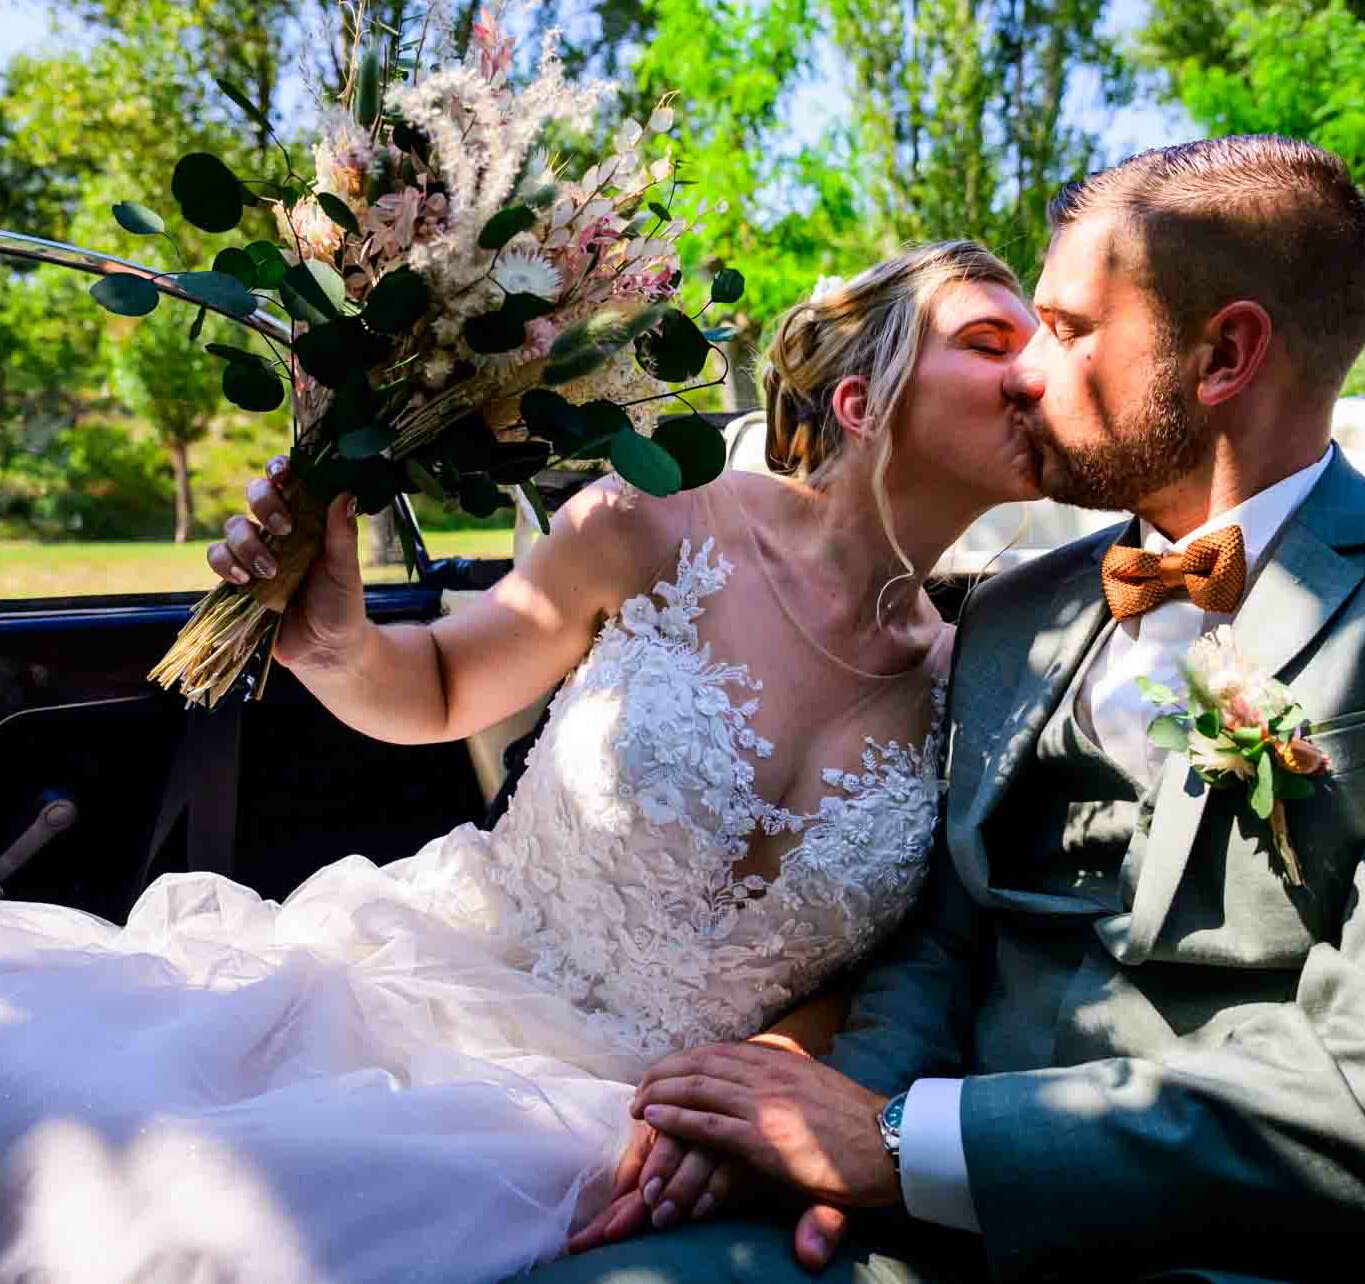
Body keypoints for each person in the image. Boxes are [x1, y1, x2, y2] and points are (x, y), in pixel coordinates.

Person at [0, 241, 1041, 1283]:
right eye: (991, 341)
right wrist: (336, 645)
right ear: (861, 398)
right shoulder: (661, 521)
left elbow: (892, 963)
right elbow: (447, 689)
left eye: (1044, 344)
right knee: (164, 1189)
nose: (1036, 372)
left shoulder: (974, 678)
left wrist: (773, 1070)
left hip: (632, 1113)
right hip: (430, 997)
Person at [542, 134, 1365, 1284]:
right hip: (909, 1217)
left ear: (1224, 354)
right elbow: (943, 934)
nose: (1027, 374)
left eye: (1070, 332)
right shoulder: (1015, 613)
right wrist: (814, 1109)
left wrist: (900, 1147)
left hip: (1223, 1247)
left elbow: (1351, 1088)